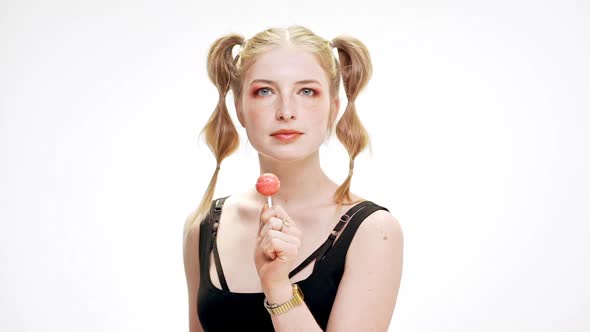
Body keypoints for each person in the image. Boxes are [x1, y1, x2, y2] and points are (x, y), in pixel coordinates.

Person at [183, 25, 403, 331]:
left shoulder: (373, 231)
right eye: (264, 91)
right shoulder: (204, 227)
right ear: (240, 109)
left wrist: (278, 288)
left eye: (307, 91)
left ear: (333, 108)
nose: (286, 111)